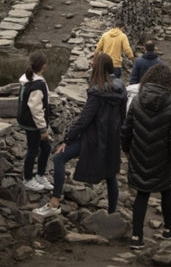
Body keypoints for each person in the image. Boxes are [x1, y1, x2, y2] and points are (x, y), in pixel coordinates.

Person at [33, 53, 127, 216]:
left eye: (93, 64)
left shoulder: (96, 92)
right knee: (111, 174)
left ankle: (54, 203)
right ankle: (112, 213)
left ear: (97, 68)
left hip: (92, 139)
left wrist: (67, 140)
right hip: (111, 140)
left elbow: (84, 120)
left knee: (59, 158)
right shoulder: (121, 88)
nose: (90, 65)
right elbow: (123, 116)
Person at [121, 63, 171, 249]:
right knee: (167, 192)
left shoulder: (137, 100)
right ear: (169, 83)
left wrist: (126, 150)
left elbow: (126, 129)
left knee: (142, 194)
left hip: (140, 154)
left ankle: (136, 237)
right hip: (163, 159)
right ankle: (168, 229)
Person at [17, 51, 53, 192]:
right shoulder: (37, 85)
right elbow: (35, 108)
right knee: (33, 150)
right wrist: (43, 129)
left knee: (46, 147)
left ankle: (40, 175)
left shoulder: (28, 79)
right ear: (44, 66)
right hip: (33, 124)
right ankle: (28, 179)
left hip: (29, 121)